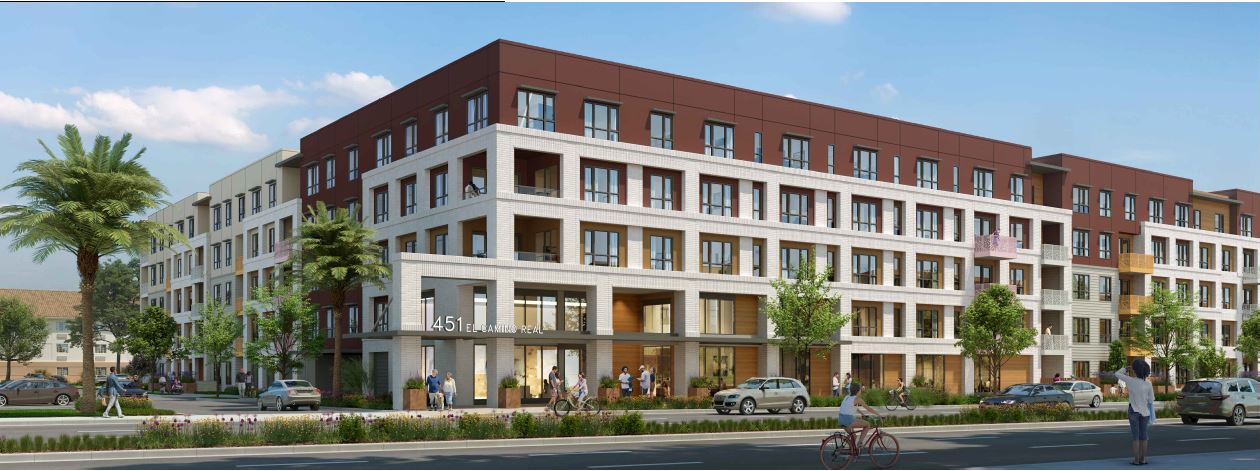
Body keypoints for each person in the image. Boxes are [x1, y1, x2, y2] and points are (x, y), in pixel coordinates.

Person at [1116, 359, 1155, 465]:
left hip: (1133, 410)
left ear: (1135, 370)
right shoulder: (1148, 384)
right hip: (1145, 412)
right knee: (1144, 436)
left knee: (1136, 437)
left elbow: (1117, 374)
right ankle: (1143, 459)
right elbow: (1151, 400)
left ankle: (1136, 460)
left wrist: (1125, 368)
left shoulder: (1130, 380)